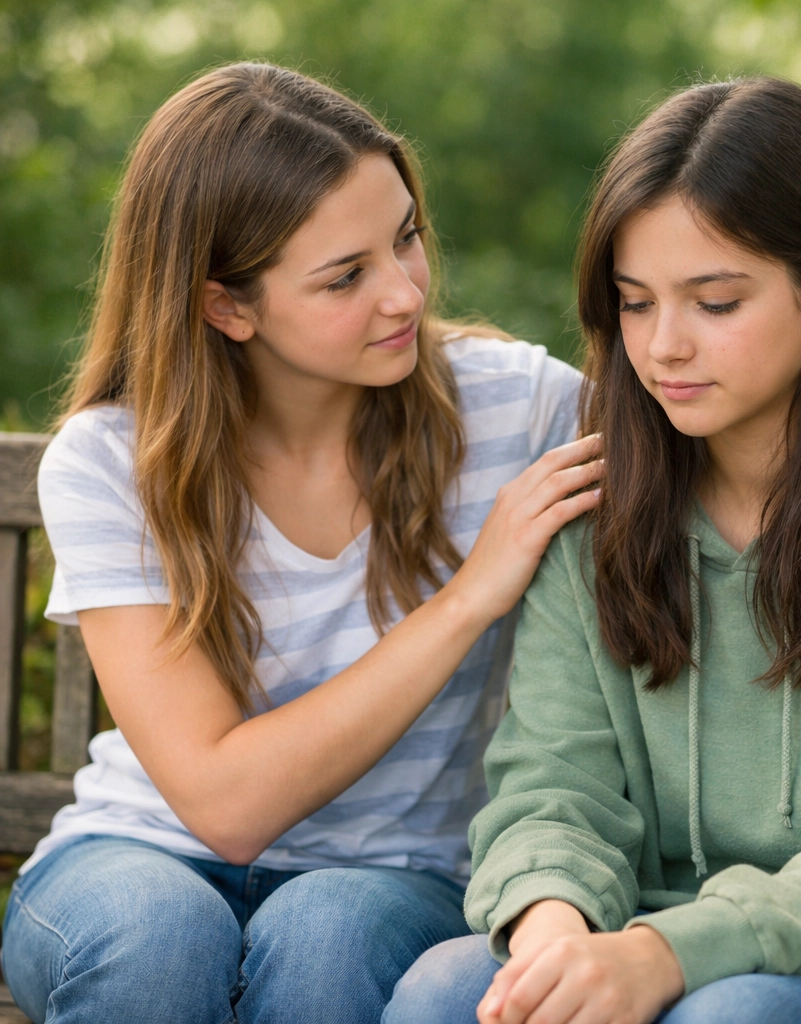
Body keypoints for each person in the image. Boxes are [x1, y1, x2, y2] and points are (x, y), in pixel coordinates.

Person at [382, 77, 801, 1024]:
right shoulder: (596, 509)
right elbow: (553, 796)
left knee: (731, 1018)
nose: (664, 347)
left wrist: (667, 954)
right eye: (635, 304)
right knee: (447, 992)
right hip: (654, 938)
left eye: (715, 302)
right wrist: (553, 934)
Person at [0, 62, 604, 1024]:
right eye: (344, 277)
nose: (405, 294)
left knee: (330, 934)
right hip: (138, 857)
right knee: (159, 944)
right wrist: (467, 599)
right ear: (225, 305)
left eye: (405, 237)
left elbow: (718, 444)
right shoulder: (112, 462)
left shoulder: (519, 409)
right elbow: (225, 808)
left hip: (397, 878)